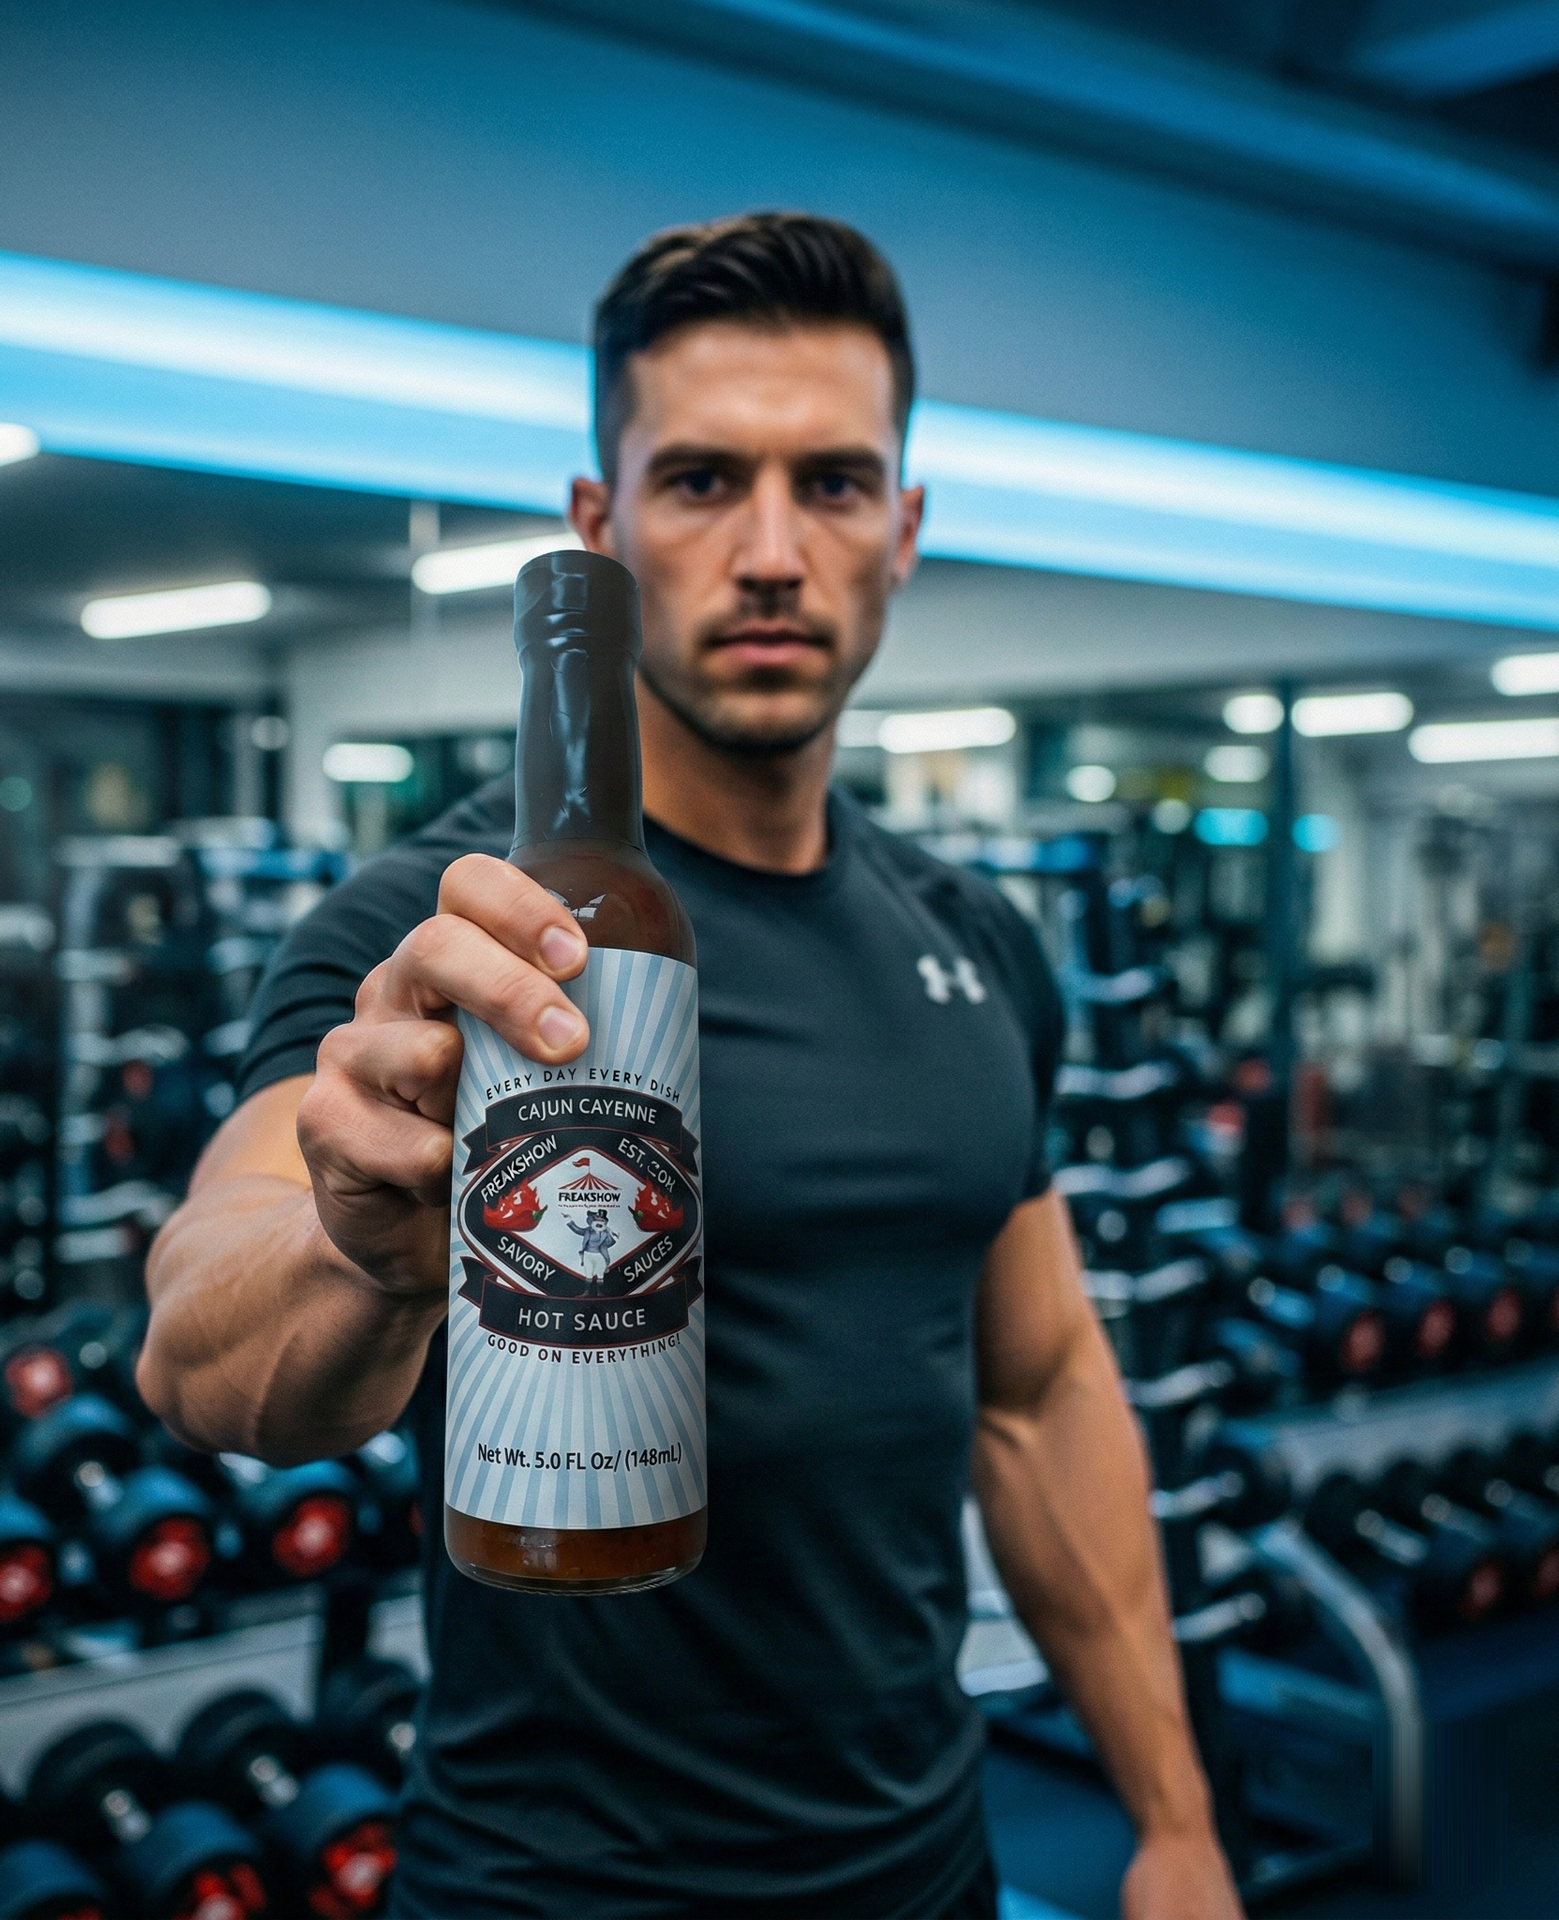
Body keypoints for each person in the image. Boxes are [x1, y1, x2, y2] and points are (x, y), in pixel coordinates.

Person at [141, 212, 1244, 1920]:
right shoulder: (442, 930)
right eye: (704, 481)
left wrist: (1172, 1820)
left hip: (930, 1866)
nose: (776, 550)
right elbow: (202, 1346)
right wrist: (360, 1253)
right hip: (550, 1890)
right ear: (601, 530)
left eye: (838, 484)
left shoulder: (981, 942)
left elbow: (1037, 1394)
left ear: (908, 530)